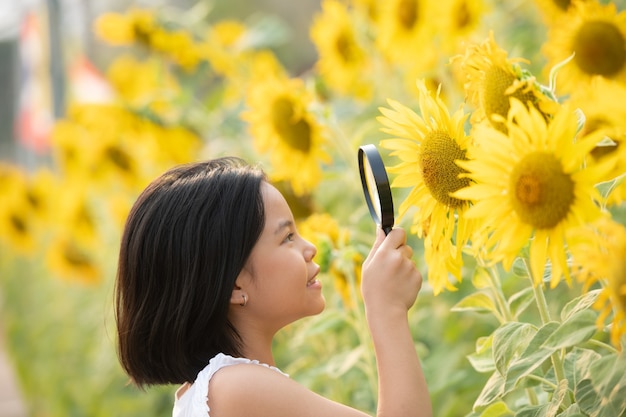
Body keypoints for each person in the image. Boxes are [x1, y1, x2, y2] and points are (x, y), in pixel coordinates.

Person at [115, 157, 432, 417]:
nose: (310, 248)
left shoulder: (208, 391)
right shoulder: (235, 389)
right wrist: (385, 309)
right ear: (235, 284)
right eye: (287, 237)